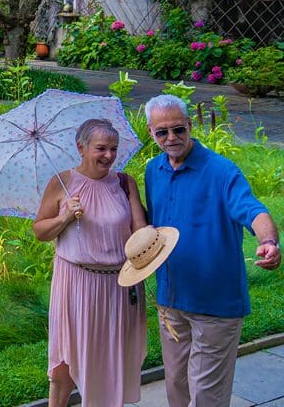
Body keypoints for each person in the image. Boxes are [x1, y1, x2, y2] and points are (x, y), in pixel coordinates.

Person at [142, 94, 280, 407]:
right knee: (176, 387)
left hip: (214, 303)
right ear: (151, 132)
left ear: (190, 125)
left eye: (178, 129)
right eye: (162, 132)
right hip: (171, 300)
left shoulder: (221, 171)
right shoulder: (154, 170)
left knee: (207, 396)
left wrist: (269, 242)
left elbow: (253, 210)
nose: (171, 137)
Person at [33, 118, 148, 407]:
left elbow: (140, 231)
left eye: (113, 148)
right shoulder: (62, 183)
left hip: (120, 285)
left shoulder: (124, 182)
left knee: (111, 359)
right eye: (101, 148)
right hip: (75, 283)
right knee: (63, 365)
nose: (108, 156)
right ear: (81, 148)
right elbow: (40, 232)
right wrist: (64, 218)